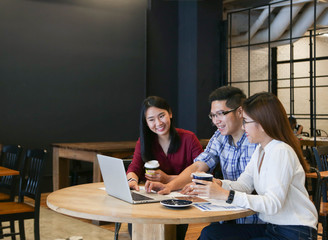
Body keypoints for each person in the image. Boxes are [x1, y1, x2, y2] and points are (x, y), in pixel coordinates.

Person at [184, 92, 317, 240]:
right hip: (272, 227)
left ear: (263, 124)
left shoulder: (281, 151)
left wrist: (225, 195)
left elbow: (273, 204)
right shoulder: (261, 150)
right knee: (211, 233)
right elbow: (244, 184)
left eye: (246, 121)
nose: (243, 126)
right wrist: (219, 184)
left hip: (294, 232)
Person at [145, 86, 260, 224]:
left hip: (254, 218)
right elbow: (199, 165)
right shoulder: (219, 136)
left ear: (240, 111)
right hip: (226, 214)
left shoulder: (257, 140)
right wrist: (170, 186)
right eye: (213, 115)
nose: (216, 121)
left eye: (221, 113)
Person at [126, 96, 204, 240]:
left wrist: (167, 179)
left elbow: (202, 175)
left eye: (161, 116)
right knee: (138, 229)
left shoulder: (189, 138)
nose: (158, 123)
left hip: (180, 200)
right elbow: (134, 168)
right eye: (151, 119)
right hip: (151, 199)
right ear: (146, 122)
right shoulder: (144, 141)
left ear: (170, 113)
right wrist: (132, 180)